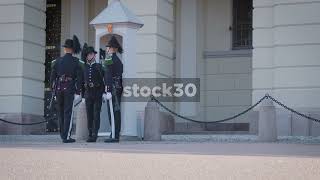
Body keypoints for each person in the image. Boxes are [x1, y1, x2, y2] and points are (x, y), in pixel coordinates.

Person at [50, 35, 83, 143]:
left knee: (60, 112)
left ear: (65, 49)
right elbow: (79, 78)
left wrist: (53, 91)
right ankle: (66, 136)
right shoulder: (76, 61)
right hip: (69, 88)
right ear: (72, 50)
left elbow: (52, 78)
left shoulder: (57, 61)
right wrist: (78, 91)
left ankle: (62, 134)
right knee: (68, 112)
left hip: (59, 88)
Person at [81, 44, 105, 142]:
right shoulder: (83, 67)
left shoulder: (99, 66)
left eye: (92, 54)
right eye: (89, 54)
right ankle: (90, 133)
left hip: (97, 93)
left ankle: (95, 134)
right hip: (88, 93)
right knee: (89, 114)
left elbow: (104, 80)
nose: (91, 56)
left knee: (96, 114)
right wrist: (82, 95)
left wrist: (103, 92)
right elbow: (81, 81)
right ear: (86, 56)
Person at [103, 36, 123, 143]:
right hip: (117, 88)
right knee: (115, 112)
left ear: (112, 49)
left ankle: (114, 135)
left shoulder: (109, 59)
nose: (107, 49)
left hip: (113, 89)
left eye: (108, 47)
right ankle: (115, 133)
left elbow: (108, 76)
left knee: (113, 112)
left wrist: (108, 90)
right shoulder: (118, 60)